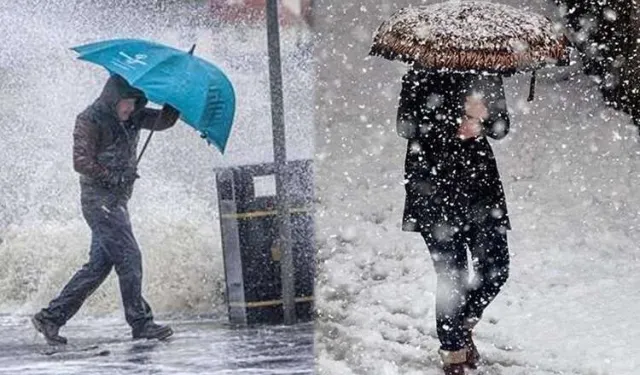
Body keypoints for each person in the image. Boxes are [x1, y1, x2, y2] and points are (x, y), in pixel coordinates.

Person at [32, 74, 180, 345]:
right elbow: (80, 161)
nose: (130, 109)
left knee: (98, 266)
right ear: (113, 99)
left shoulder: (134, 116)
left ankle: (50, 317)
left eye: (135, 103)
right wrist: (112, 176)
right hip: (98, 201)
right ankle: (141, 322)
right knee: (130, 257)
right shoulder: (89, 119)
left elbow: (163, 121)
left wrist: (176, 99)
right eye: (126, 103)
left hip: (117, 202)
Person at [397, 68, 511, 375]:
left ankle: (461, 326)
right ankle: (453, 354)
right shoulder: (419, 74)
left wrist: (483, 120)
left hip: (480, 190)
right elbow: (406, 126)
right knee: (453, 277)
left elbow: (502, 127)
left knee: (497, 268)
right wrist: (456, 117)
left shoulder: (485, 72)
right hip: (433, 189)